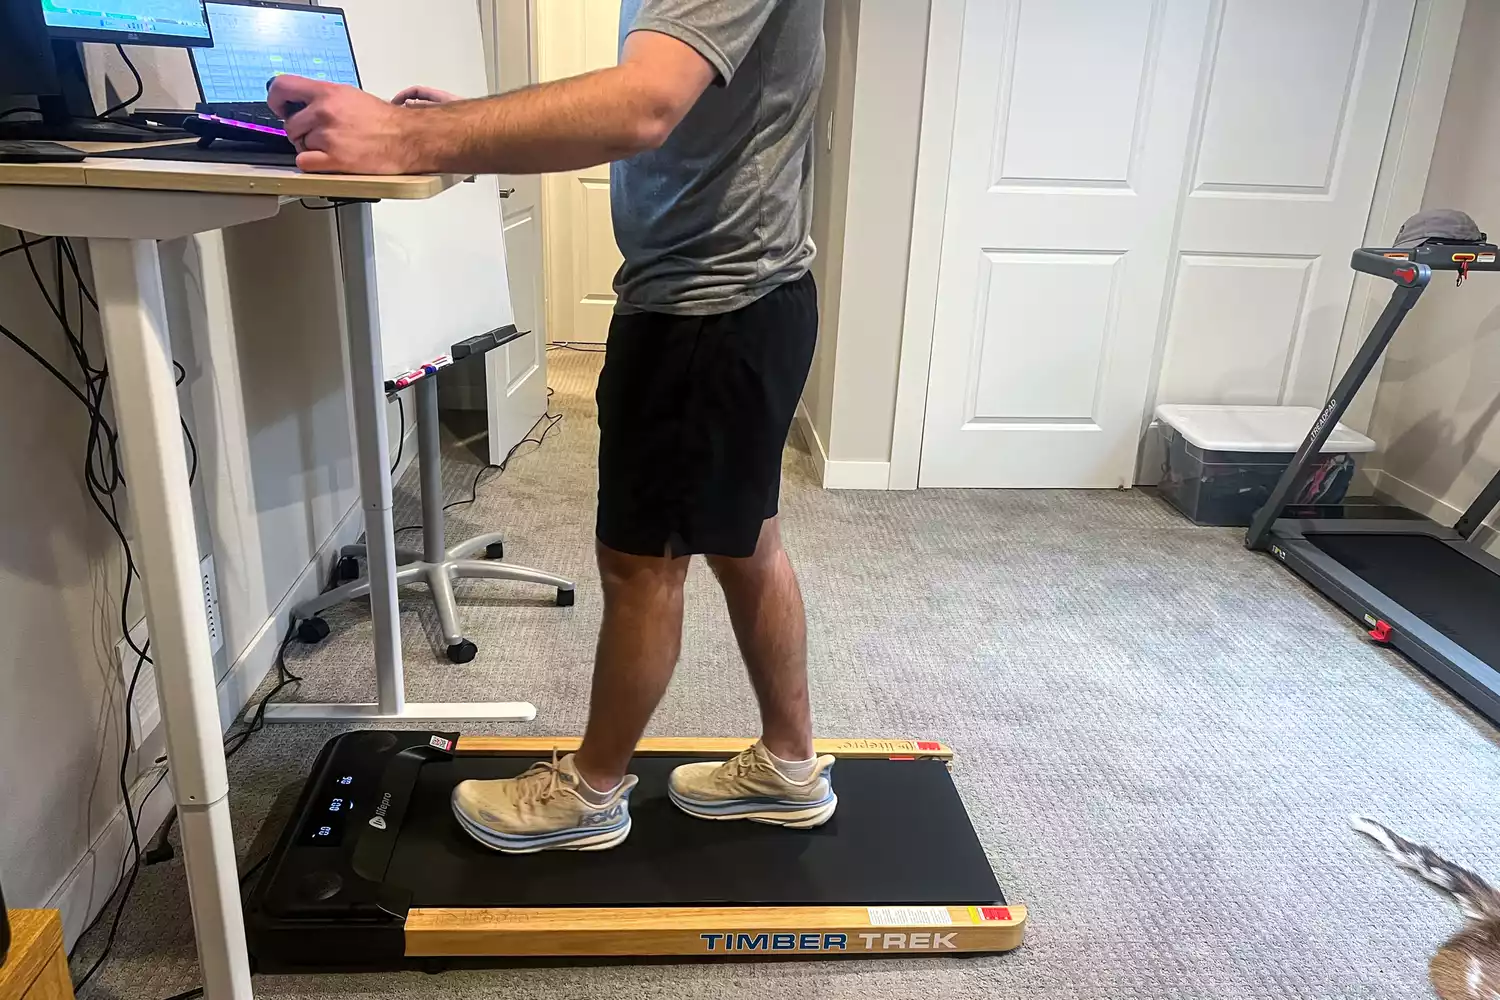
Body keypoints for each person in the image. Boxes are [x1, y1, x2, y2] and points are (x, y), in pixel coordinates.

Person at [269, 0, 830, 853]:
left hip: (707, 312)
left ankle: (590, 794)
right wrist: (458, 124)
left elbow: (642, 104)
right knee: (747, 539)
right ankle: (789, 767)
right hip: (745, 299)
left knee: (643, 565)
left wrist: (420, 138)